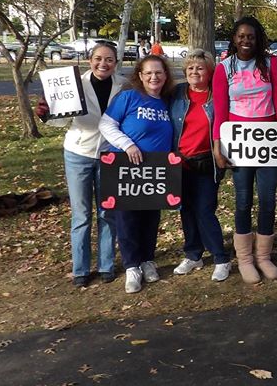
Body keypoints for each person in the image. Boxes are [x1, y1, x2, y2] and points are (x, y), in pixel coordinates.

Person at [35, 43, 126, 287]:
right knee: (82, 214)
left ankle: (107, 265)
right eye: (98, 59)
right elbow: (60, 121)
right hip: (78, 153)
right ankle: (81, 270)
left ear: (116, 62)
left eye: (109, 59)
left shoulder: (124, 86)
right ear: (89, 59)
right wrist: (46, 113)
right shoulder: (74, 84)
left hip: (109, 155)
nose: (103, 64)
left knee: (108, 212)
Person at [212, 16, 277, 284]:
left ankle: (264, 256)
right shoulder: (224, 68)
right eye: (241, 36)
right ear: (234, 38)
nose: (246, 40)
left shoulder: (271, 64)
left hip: (269, 139)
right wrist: (217, 145)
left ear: (258, 39)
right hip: (238, 143)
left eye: (251, 36)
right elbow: (221, 110)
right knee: (243, 200)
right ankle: (245, 259)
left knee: (268, 198)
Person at [99, 55, 174, 293]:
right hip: (126, 167)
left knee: (151, 217)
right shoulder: (128, 97)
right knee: (127, 218)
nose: (154, 77)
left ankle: (147, 260)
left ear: (166, 75)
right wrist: (128, 145)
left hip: (156, 169)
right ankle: (132, 266)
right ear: (140, 76)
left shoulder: (166, 101)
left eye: (159, 73)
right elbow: (106, 125)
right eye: (149, 73)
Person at [169, 49, 231, 282]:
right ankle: (193, 254)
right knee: (186, 209)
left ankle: (220, 257)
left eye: (200, 67)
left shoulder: (217, 97)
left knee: (205, 210)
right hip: (180, 162)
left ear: (210, 72)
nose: (195, 71)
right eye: (191, 68)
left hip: (207, 162)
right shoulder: (176, 94)